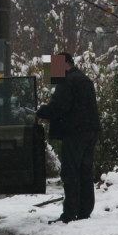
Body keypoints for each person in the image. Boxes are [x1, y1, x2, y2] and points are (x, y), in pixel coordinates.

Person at [35, 52, 100, 223]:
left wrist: (40, 112)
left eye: (54, 66)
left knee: (70, 173)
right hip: (90, 132)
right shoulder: (84, 79)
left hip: (74, 133)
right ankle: (84, 211)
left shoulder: (67, 81)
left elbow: (58, 107)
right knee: (85, 172)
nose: (52, 72)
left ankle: (69, 214)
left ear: (64, 64)